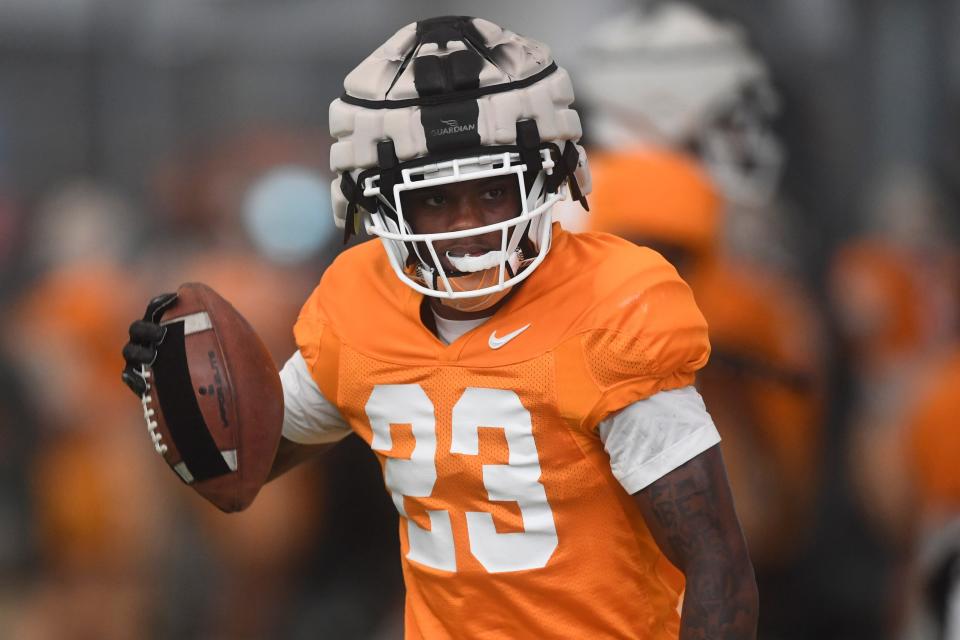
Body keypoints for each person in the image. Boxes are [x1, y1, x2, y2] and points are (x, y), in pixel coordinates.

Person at [122, 16, 757, 639]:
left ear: (548, 179)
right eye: (433, 200)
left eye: (493, 192)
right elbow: (244, 469)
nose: (468, 226)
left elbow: (717, 564)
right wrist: (175, 390)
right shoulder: (357, 304)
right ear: (376, 202)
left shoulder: (611, 305)